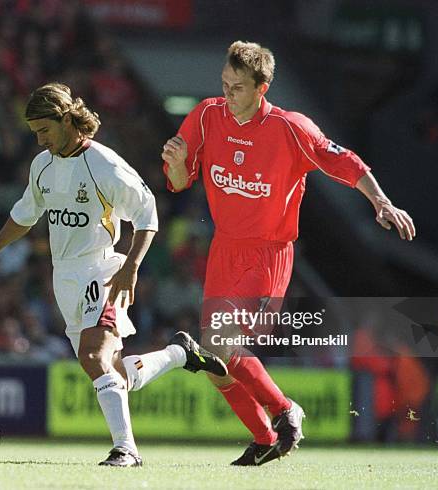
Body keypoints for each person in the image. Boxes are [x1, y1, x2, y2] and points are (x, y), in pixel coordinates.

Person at [162, 41, 415, 466]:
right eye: (224, 84)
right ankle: (264, 437)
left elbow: (345, 161)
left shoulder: (290, 128)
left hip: (268, 255)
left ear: (263, 87)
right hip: (224, 249)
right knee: (211, 360)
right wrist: (174, 164)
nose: (228, 94)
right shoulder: (206, 115)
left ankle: (283, 410)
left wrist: (381, 201)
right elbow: (181, 178)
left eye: (238, 88)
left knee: (219, 343)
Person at [0, 83, 227, 467]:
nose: (40, 140)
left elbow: (148, 214)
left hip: (103, 269)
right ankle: (180, 353)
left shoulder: (105, 165)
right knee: (115, 373)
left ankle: (126, 450)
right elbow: (25, 214)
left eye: (44, 130)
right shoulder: (42, 165)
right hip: (66, 279)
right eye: (35, 133)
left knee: (94, 356)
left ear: (66, 120)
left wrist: (131, 267)